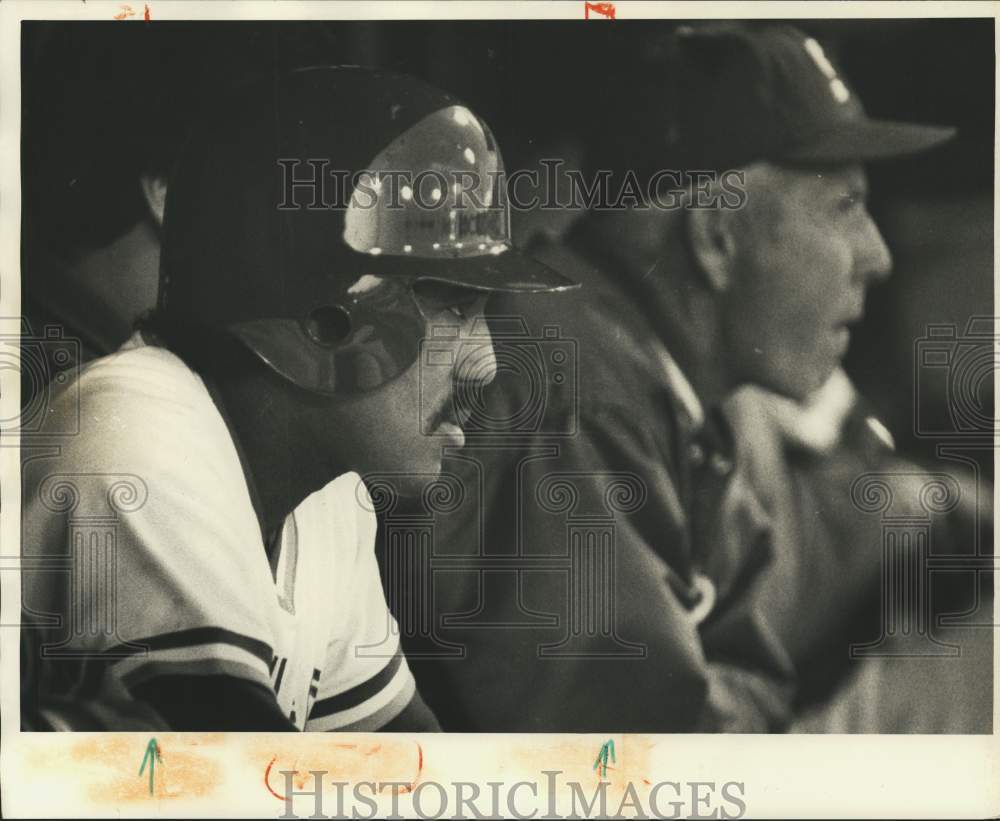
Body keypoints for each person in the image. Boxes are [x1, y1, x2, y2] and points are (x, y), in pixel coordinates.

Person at [405, 23, 959, 731]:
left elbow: (753, 679)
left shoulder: (669, 383)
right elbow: (641, 755)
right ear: (714, 238)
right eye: (845, 207)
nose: (877, 256)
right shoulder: (576, 391)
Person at [20, 65, 575, 731]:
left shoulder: (330, 495)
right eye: (453, 306)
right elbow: (236, 775)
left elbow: (407, 768)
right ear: (321, 312)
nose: (485, 364)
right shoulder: (140, 429)